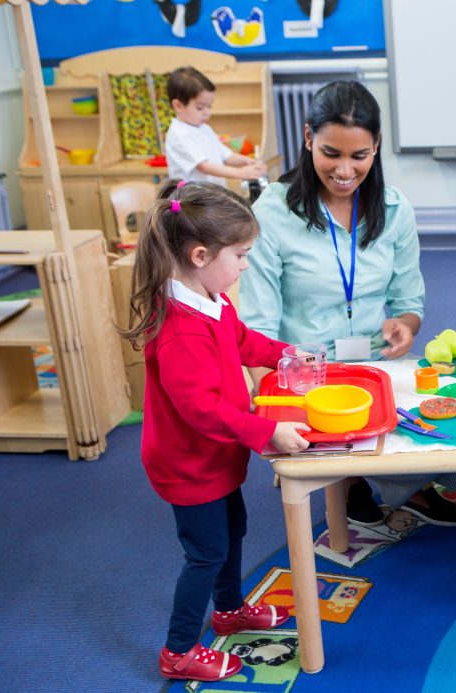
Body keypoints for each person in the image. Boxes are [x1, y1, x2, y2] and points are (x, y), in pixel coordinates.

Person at [240, 80, 456, 528]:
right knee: (354, 442)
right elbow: (257, 322)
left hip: (371, 361)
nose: (345, 170)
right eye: (331, 153)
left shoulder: (394, 207)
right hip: (303, 371)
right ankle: (359, 482)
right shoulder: (273, 212)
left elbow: (408, 300)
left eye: (359, 156)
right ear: (308, 139)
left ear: (376, 147)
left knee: (450, 424)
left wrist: (405, 324)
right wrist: (274, 404)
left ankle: (380, 481)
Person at [119, 181, 310, 682]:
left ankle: (228, 611)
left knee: (233, 532)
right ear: (201, 255)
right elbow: (200, 410)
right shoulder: (181, 327)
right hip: (189, 465)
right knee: (205, 555)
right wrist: (266, 432)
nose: (246, 264)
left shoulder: (212, 297)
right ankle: (178, 651)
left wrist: (283, 354)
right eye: (241, 254)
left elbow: (242, 340)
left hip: (217, 457)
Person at [165, 66, 267, 185]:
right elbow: (203, 166)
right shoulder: (178, 134)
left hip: (212, 194)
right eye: (200, 107)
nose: (207, 112)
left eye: (209, 106)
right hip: (192, 199)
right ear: (178, 106)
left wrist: (248, 161)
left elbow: (227, 156)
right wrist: (240, 173)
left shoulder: (204, 128)